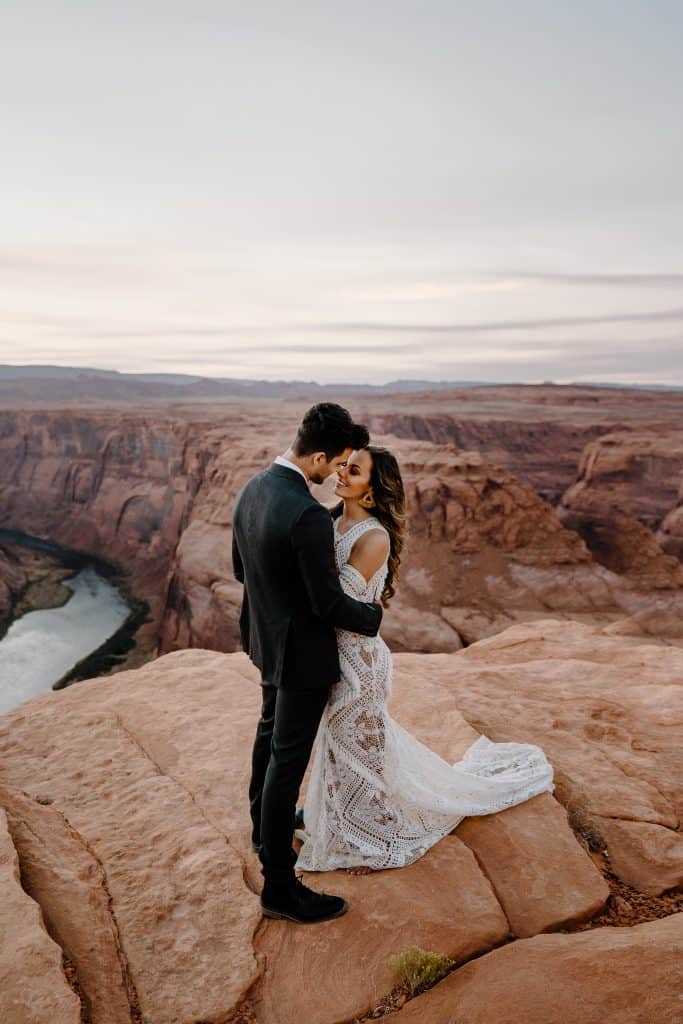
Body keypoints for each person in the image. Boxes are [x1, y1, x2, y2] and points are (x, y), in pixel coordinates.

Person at [294, 445, 555, 875]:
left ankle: (370, 839)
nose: (341, 473)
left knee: (361, 750)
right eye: (343, 465)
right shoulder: (331, 519)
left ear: (372, 491)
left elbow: (336, 601)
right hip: (330, 655)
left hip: (357, 662)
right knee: (339, 747)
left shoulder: (373, 537)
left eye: (353, 471)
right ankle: (339, 822)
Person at [231, 403, 383, 923]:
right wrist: (373, 617)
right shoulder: (308, 514)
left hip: (265, 641)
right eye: (337, 462)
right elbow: (328, 605)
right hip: (301, 656)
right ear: (318, 455)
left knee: (268, 736)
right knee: (286, 761)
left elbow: (239, 569)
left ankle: (262, 830)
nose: (337, 472)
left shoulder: (252, 488)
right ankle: (279, 887)